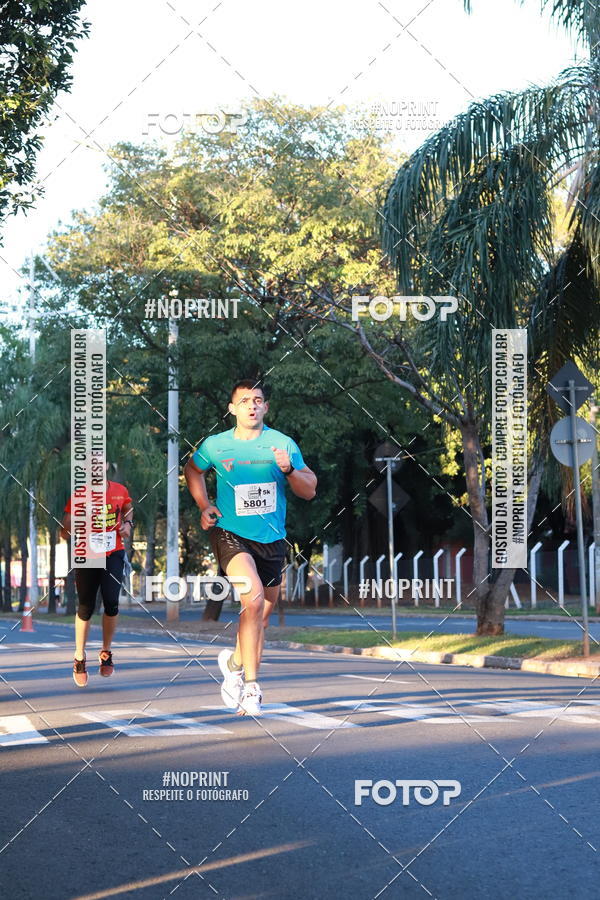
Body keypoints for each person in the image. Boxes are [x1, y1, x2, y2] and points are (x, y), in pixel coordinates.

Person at [184, 380, 317, 716]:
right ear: (233, 409)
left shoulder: (281, 443)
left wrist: (287, 469)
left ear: (266, 408)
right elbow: (192, 470)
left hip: (272, 540)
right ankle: (252, 688)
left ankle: (232, 664)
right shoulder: (216, 445)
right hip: (230, 534)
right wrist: (204, 504)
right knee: (253, 599)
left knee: (261, 616)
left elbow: (310, 489)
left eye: (258, 400)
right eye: (244, 401)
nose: (252, 405)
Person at [60, 462, 133, 687]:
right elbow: (65, 530)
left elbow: (129, 509)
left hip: (113, 553)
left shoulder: (120, 491)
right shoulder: (80, 495)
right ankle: (79, 656)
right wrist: (70, 525)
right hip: (87, 554)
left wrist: (128, 524)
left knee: (111, 602)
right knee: (86, 606)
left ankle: (106, 652)